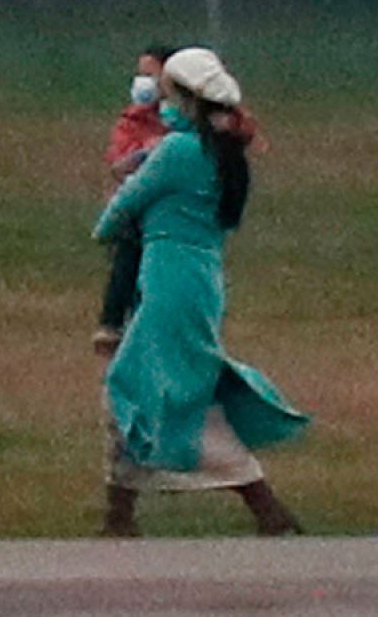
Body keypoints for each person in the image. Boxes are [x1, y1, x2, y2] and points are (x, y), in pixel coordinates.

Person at [93, 47, 309, 538]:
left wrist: (111, 218)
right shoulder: (221, 155)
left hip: (168, 281)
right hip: (198, 280)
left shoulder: (177, 152)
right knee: (151, 384)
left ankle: (262, 506)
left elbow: (120, 211)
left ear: (188, 100)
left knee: (144, 386)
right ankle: (119, 516)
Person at [92, 44, 176, 357]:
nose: (143, 83)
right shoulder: (132, 120)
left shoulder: (182, 121)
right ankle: (112, 323)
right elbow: (118, 164)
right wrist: (145, 154)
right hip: (135, 210)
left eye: (150, 75)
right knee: (128, 254)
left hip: (168, 211)